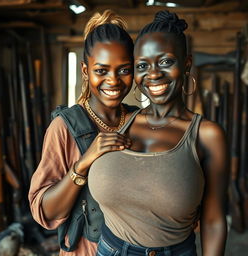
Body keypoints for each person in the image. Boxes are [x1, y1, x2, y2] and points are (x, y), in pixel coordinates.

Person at [88, 10, 229, 256]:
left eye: (165, 61)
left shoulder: (207, 135)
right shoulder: (122, 120)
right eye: (142, 65)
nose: (153, 74)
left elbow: (214, 221)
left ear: (186, 64)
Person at [28, 10, 137, 256]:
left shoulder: (138, 121)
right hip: (86, 250)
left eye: (124, 69)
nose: (113, 80)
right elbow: (45, 211)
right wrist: (83, 164)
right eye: (101, 71)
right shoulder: (64, 127)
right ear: (86, 71)